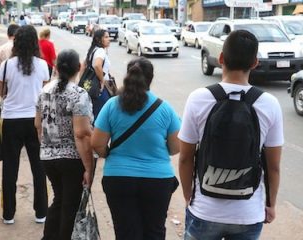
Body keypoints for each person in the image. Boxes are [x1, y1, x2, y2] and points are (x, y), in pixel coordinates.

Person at [178, 30, 283, 240]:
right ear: (255, 63)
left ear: (221, 59)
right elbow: (273, 166)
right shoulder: (269, 103)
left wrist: (189, 195)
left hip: (204, 210)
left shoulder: (199, 98)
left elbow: (185, 157)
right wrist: (270, 205)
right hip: (248, 213)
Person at [91, 57, 181, 239]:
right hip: (157, 180)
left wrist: (109, 154)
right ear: (151, 78)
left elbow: (97, 144)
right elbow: (175, 147)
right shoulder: (165, 109)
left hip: (118, 178)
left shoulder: (111, 105)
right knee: (154, 231)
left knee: (125, 232)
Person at [35, 49, 94, 240]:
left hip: (47, 158)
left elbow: (38, 125)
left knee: (60, 200)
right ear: (78, 68)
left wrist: (47, 148)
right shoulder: (78, 94)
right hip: (71, 159)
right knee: (71, 205)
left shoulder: (44, 91)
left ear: (56, 67)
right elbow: (82, 133)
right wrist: (88, 167)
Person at [0, 25, 49, 225]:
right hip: (36, 121)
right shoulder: (43, 65)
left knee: (10, 168)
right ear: (35, 42)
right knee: (39, 168)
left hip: (11, 121)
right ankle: (41, 213)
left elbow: (2, 92)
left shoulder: (7, 65)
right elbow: (45, 93)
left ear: (16, 42)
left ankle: (8, 214)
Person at [80, 29, 112, 119]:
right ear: (98, 39)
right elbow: (97, 65)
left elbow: (83, 66)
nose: (109, 39)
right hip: (99, 88)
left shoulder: (92, 50)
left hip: (89, 86)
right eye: (106, 37)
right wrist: (102, 81)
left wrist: (82, 81)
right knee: (102, 114)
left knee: (92, 113)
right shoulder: (101, 51)